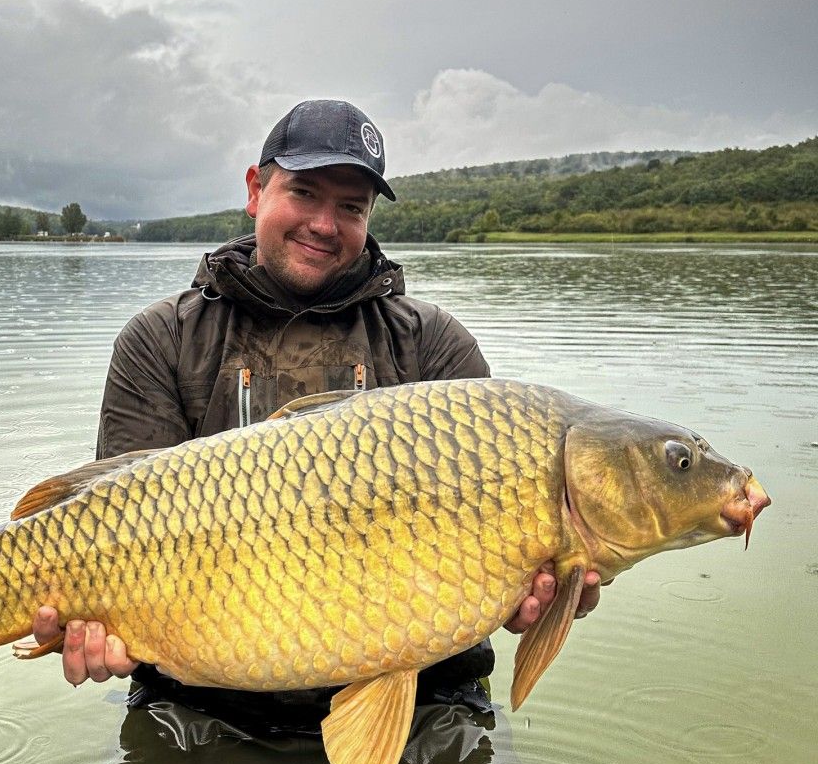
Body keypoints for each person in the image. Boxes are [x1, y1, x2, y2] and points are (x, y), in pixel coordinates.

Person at [29, 99, 599, 728]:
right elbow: (117, 524)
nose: (326, 224)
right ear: (255, 189)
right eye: (304, 192)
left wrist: (539, 595)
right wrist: (92, 629)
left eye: (351, 207)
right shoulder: (161, 340)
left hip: (423, 701)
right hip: (203, 700)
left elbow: (512, 569)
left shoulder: (434, 345)